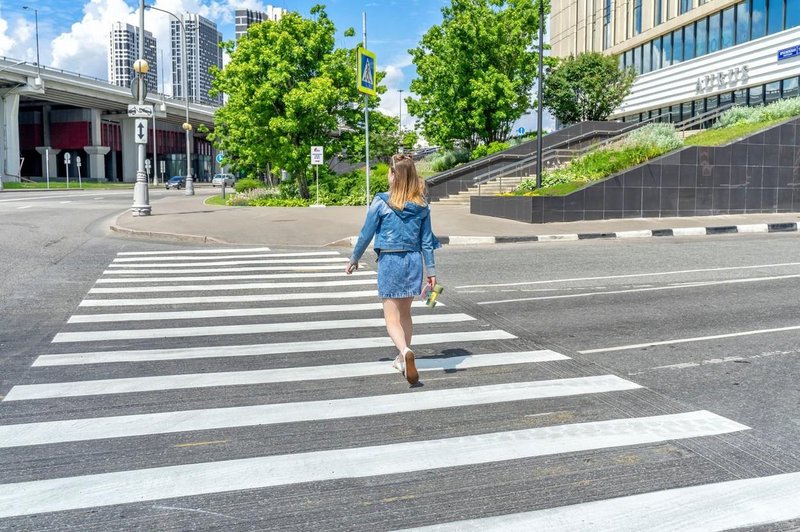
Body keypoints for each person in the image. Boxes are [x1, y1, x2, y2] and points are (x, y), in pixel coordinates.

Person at [346, 154, 441, 385]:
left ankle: (405, 351)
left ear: (393, 175)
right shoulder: (422, 205)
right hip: (413, 261)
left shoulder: (381, 201)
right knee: (406, 314)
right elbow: (427, 241)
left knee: (391, 318)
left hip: (390, 261)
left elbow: (365, 233)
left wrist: (354, 258)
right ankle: (402, 356)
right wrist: (432, 271)